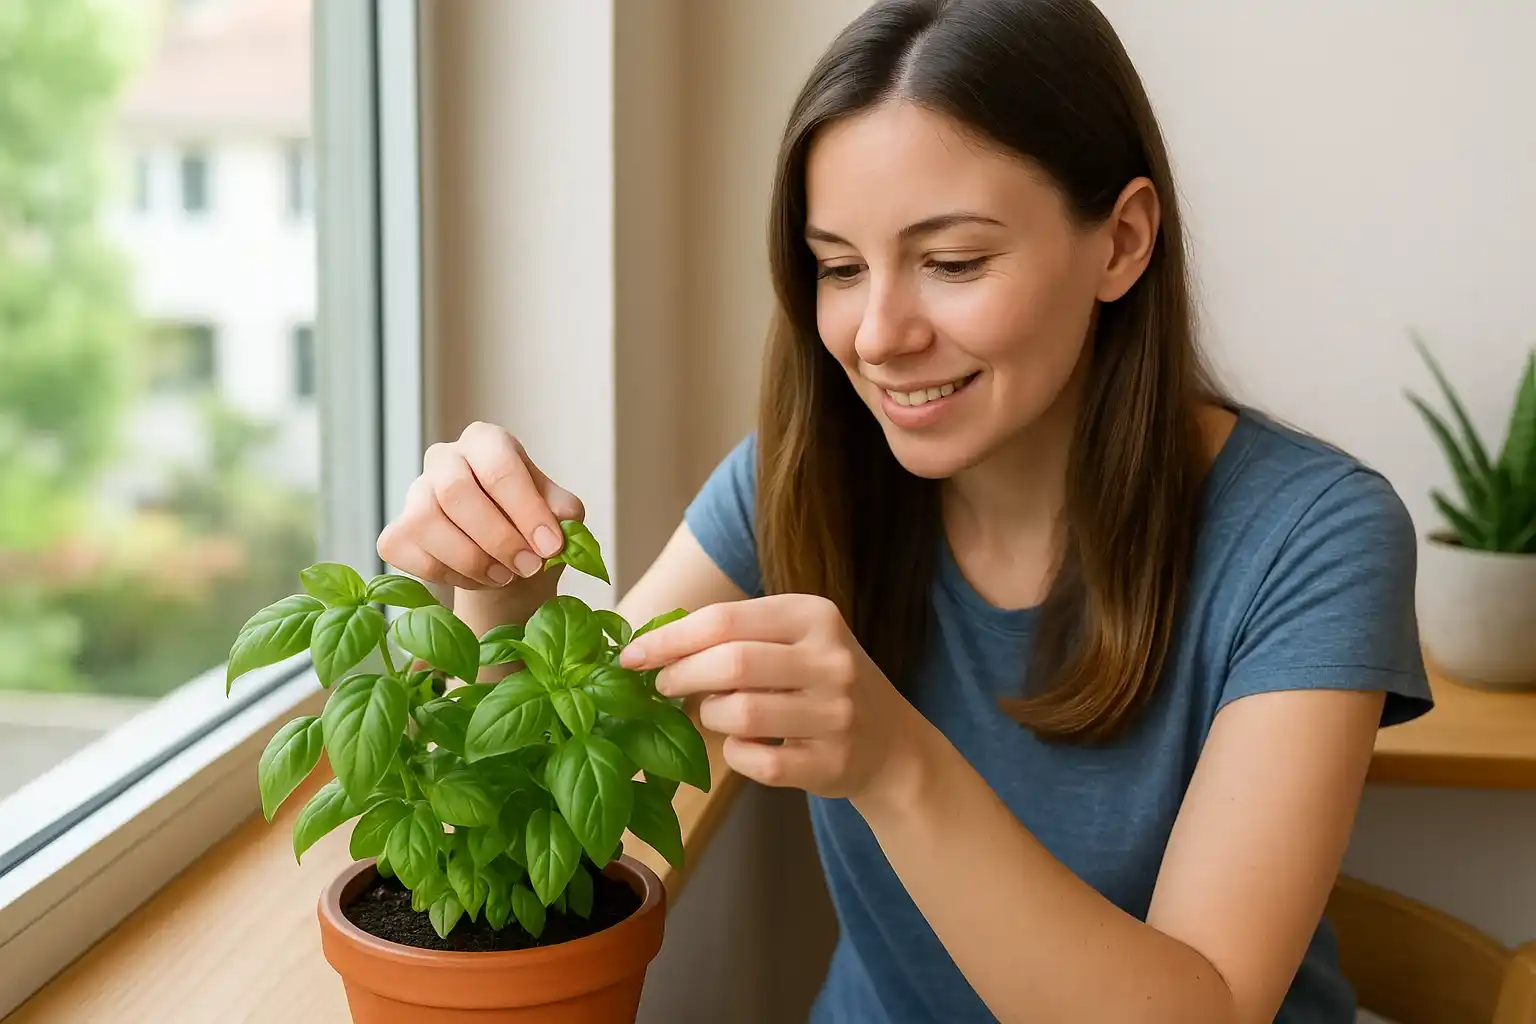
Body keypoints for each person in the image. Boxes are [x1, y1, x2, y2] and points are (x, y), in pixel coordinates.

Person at [377, 0, 1434, 1020]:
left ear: (1121, 242)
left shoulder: (1314, 538)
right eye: (838, 267)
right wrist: (500, 600)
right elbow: (561, 794)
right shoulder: (799, 480)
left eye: (952, 262)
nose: (877, 334)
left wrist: (896, 762)